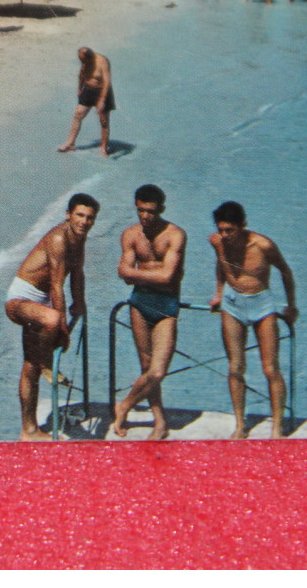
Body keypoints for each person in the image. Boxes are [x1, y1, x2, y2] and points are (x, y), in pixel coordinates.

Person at [4, 193, 96, 440]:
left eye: (89, 218)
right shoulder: (58, 238)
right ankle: (29, 426)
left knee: (30, 366)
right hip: (20, 300)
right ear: (68, 215)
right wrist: (63, 328)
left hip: (41, 304)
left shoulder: (80, 238)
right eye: (79, 215)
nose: (83, 222)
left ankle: (29, 428)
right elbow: (57, 285)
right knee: (52, 324)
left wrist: (80, 303)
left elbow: (77, 273)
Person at [207, 200, 297, 439]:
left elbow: (285, 271)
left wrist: (291, 305)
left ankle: (277, 427)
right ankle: (240, 424)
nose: (225, 236)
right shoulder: (216, 241)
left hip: (261, 304)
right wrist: (218, 292)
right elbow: (221, 264)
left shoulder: (263, 245)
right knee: (235, 367)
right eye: (221, 230)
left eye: (230, 231)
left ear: (243, 226)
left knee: (270, 369)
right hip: (232, 304)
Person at [110, 185, 187, 440]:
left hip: (166, 306)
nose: (145, 216)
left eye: (150, 211)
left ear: (161, 209)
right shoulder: (130, 235)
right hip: (139, 304)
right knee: (146, 367)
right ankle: (160, 422)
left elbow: (168, 277)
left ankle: (124, 406)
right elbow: (122, 272)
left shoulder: (175, 235)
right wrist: (146, 277)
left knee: (157, 372)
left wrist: (137, 276)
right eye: (140, 210)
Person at [57, 46, 114, 157]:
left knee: (104, 121)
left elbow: (107, 82)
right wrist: (80, 88)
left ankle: (103, 147)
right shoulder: (85, 61)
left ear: (90, 58)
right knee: (78, 114)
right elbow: (82, 74)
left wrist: (102, 100)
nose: (82, 62)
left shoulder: (102, 62)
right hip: (88, 90)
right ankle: (70, 143)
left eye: (83, 60)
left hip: (102, 91)